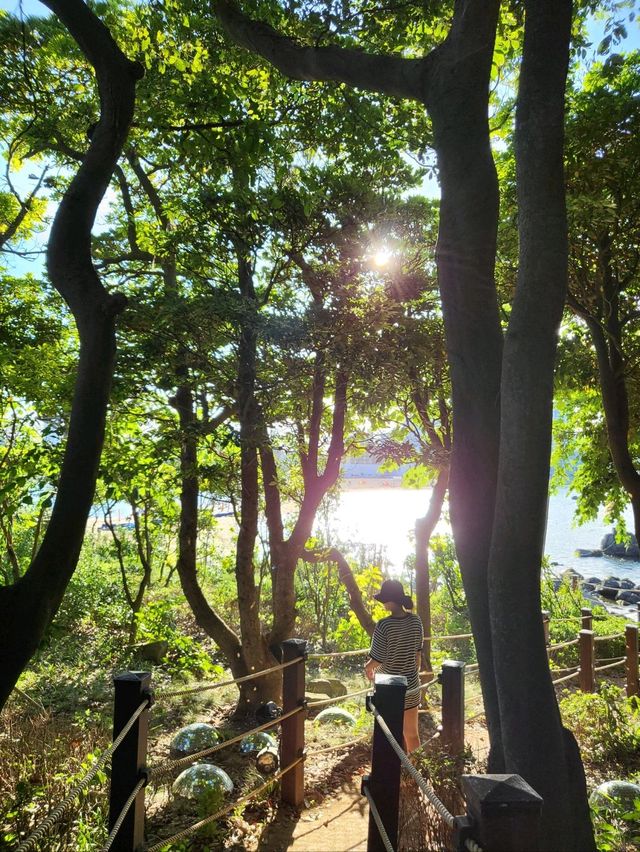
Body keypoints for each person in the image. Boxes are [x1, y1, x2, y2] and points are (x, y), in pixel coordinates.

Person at [364, 579, 423, 753]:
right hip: (411, 684)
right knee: (412, 735)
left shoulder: (384, 625)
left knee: (388, 736)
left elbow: (377, 659)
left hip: (388, 688)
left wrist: (367, 668)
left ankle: (390, 776)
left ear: (390, 600)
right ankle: (416, 773)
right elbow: (418, 654)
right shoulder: (416, 621)